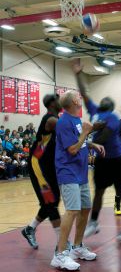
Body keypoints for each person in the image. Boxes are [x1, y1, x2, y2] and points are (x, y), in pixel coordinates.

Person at [73, 60, 121, 243]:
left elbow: (103, 138)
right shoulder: (94, 110)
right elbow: (84, 93)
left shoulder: (113, 117)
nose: (105, 99)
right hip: (103, 159)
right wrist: (78, 74)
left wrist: (88, 135)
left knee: (120, 191)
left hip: (118, 159)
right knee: (99, 191)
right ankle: (94, 222)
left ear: (109, 106)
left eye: (108, 100)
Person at [51, 91, 105, 271]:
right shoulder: (64, 122)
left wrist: (91, 143)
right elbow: (72, 150)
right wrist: (88, 132)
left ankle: (77, 247)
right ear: (74, 101)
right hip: (68, 172)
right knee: (72, 211)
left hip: (80, 172)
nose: (80, 97)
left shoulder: (76, 120)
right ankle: (59, 255)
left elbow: (79, 142)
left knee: (85, 208)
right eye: (77, 95)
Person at [21, 94, 62, 250]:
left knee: (54, 199)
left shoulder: (56, 117)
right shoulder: (51, 119)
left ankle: (29, 228)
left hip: (48, 165)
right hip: (38, 164)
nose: (61, 102)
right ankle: (62, 242)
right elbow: (69, 131)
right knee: (50, 201)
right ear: (52, 103)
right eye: (59, 99)